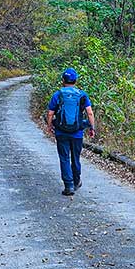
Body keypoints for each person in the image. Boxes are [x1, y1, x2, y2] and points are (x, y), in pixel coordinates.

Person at [46, 67, 95, 196]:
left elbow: (51, 113)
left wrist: (50, 126)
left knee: (64, 158)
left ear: (63, 80)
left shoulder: (58, 94)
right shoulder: (82, 95)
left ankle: (68, 186)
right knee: (76, 157)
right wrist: (92, 127)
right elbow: (89, 112)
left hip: (61, 132)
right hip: (77, 132)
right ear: (76, 80)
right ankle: (76, 181)